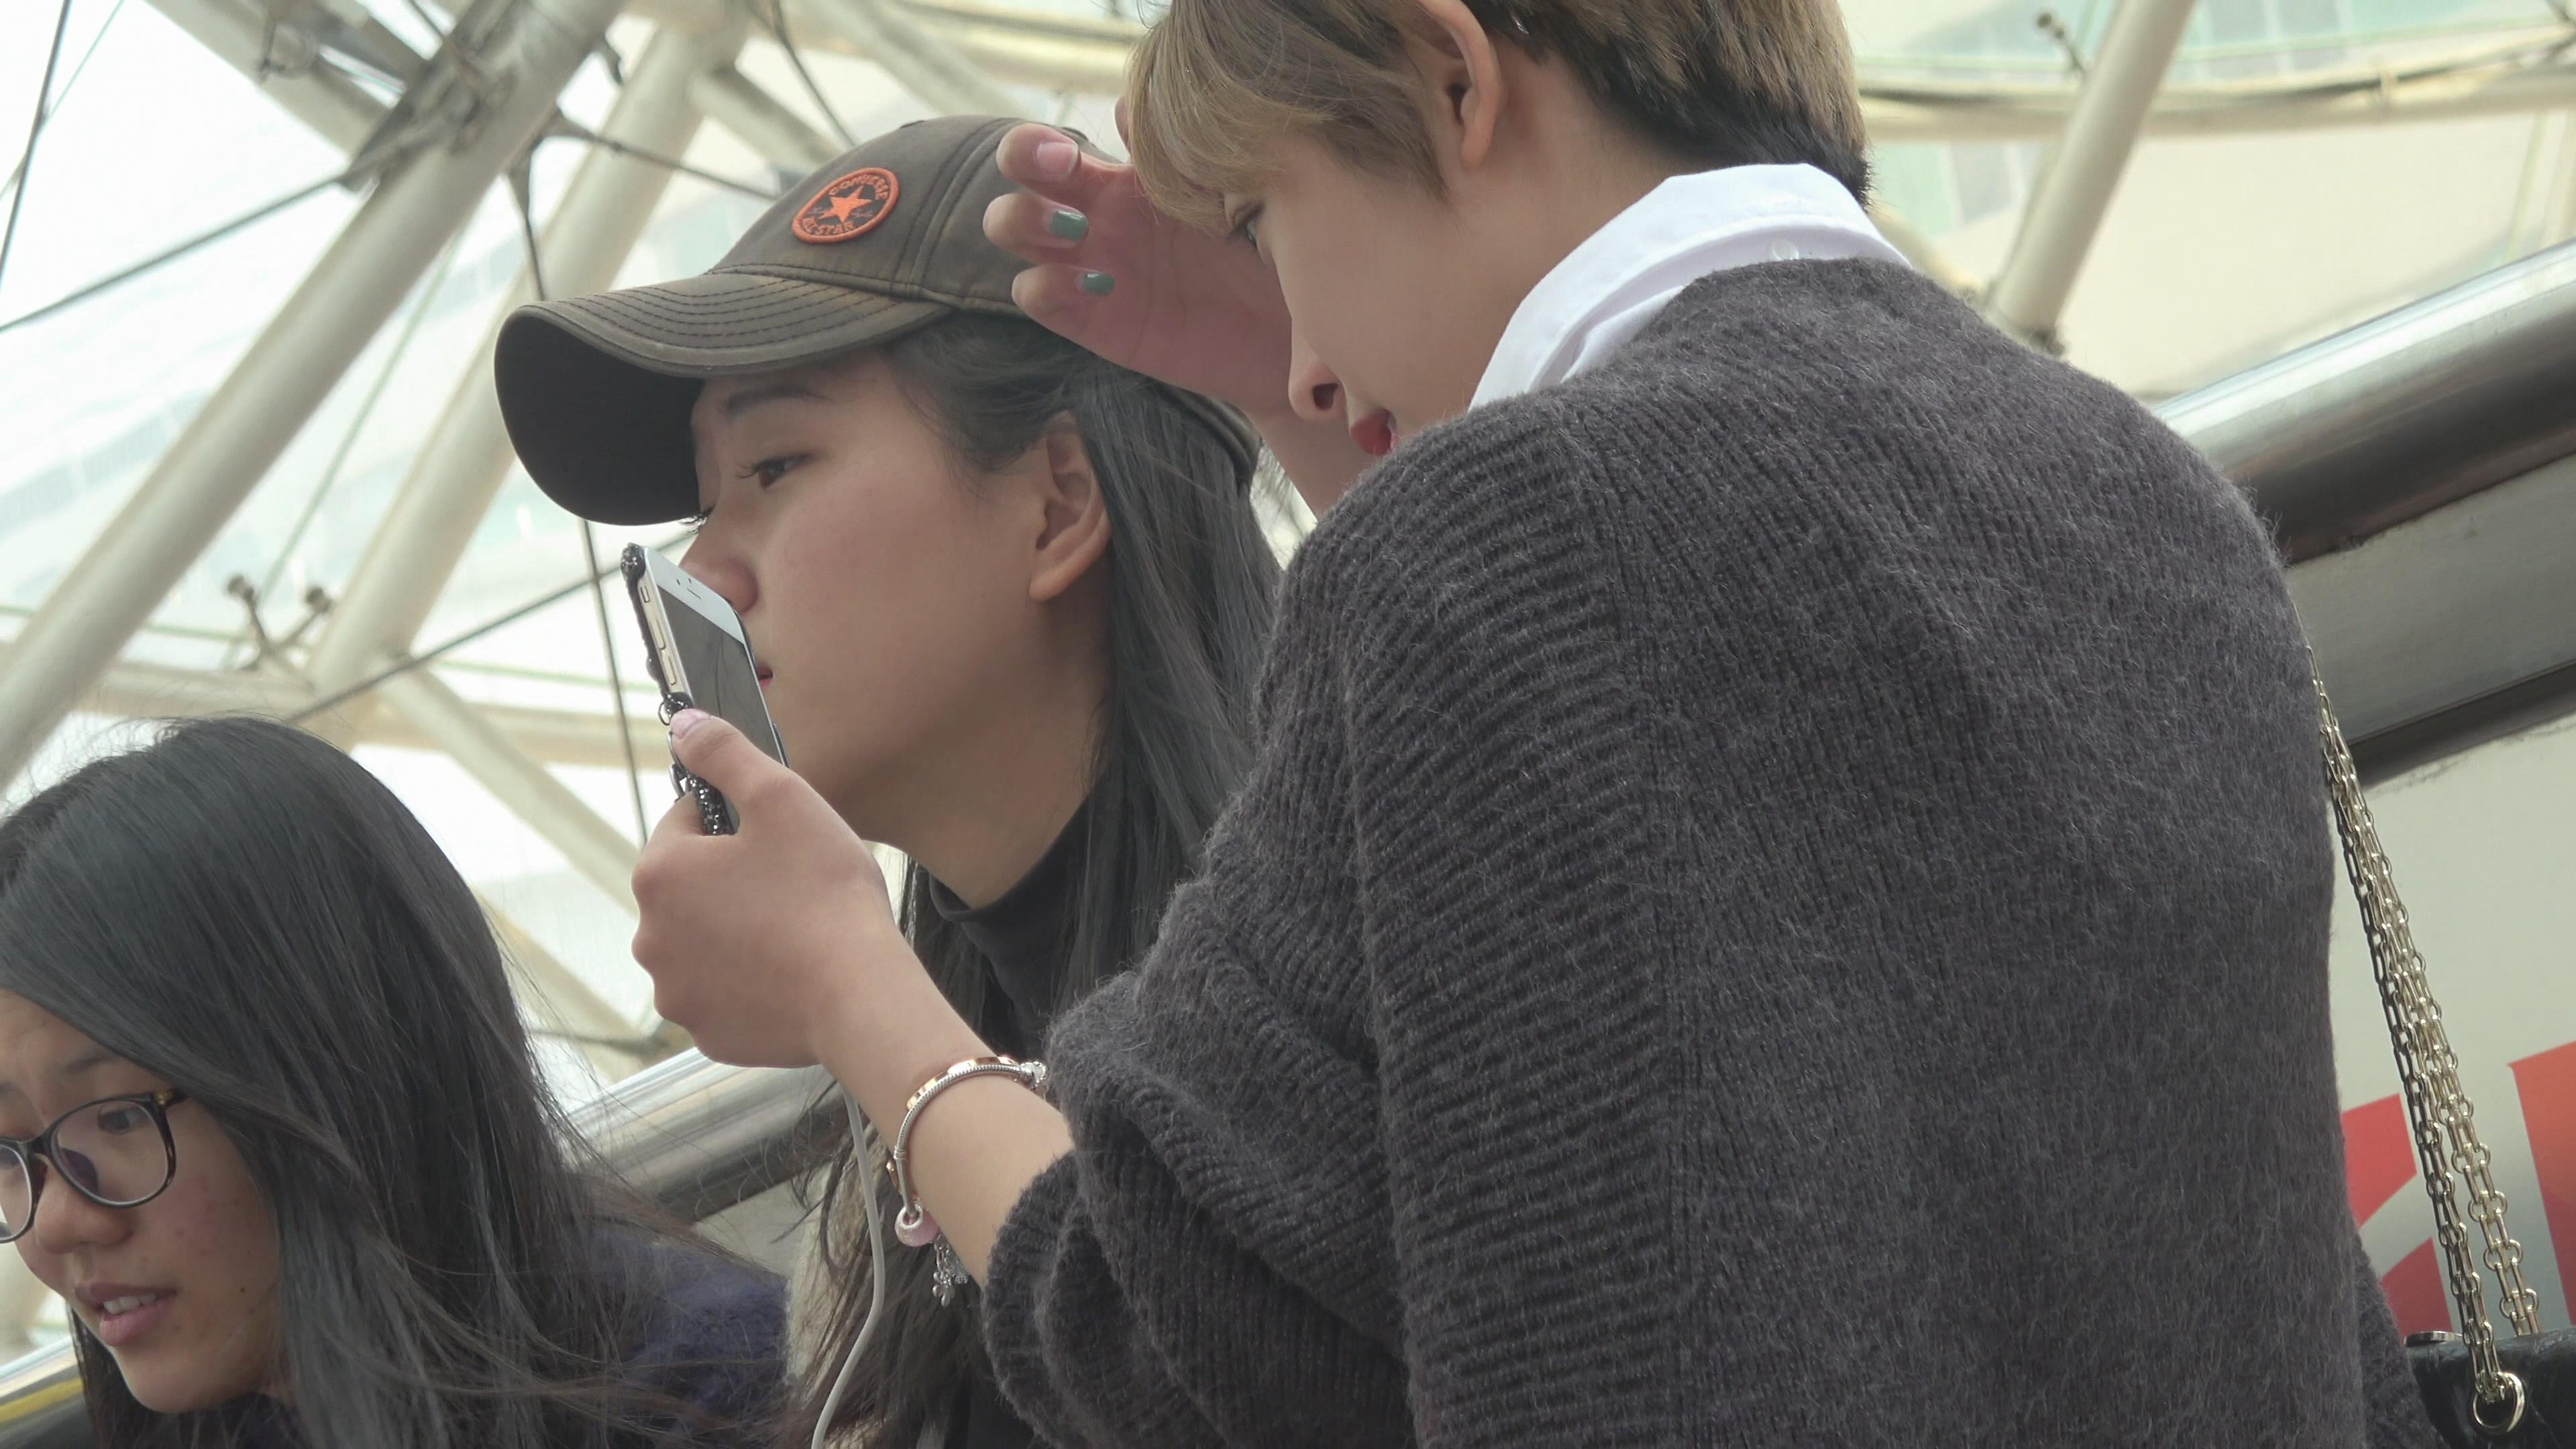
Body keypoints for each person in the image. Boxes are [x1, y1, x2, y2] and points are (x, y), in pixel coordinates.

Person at [614, 2, 2439, 1446]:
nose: (1299, 353)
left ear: (1453, 77)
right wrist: (1336, 424)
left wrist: (844, 983)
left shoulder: (1498, 548)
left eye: (1268, 218)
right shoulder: (2144, 494)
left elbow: (1164, 1325)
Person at [490, 115, 1281, 1449]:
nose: (708, 570)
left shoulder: (1361, 956)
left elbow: (1253, 1383)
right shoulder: (885, 1180)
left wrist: (844, 987)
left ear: (1058, 505)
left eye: (774, 467)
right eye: (703, 502)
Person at [0, 716, 785, 1449]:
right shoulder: (225, 1412)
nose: (57, 1223)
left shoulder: (711, 1396)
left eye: (119, 1120)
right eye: (7, 1150)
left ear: (338, 1074)